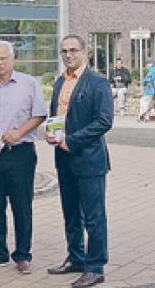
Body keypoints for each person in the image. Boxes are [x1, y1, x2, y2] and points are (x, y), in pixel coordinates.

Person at [45, 36, 114, 287]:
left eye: (73, 50)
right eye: (64, 51)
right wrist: (52, 133)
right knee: (71, 213)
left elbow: (104, 121)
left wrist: (72, 141)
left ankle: (95, 267)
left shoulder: (97, 83)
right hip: (63, 158)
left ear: (85, 52)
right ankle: (76, 257)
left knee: (94, 216)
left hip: (89, 160)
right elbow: (57, 116)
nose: (68, 55)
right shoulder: (59, 82)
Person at [0, 40, 47, 274]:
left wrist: (19, 132)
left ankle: (23, 255)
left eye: (3, 58)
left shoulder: (28, 83)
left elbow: (39, 115)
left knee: (21, 205)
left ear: (12, 58)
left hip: (20, 153)